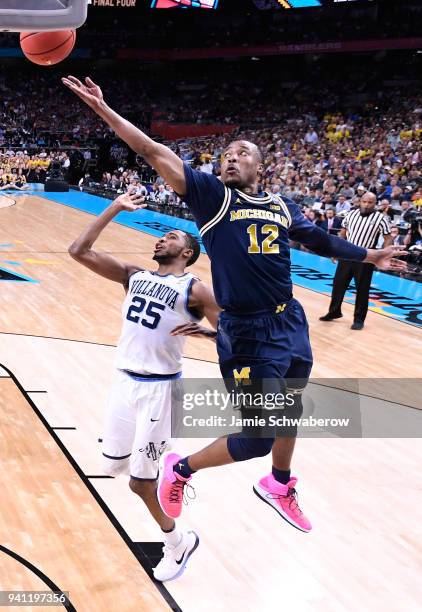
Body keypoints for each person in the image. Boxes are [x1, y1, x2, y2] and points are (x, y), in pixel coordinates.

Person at [62, 75, 406, 537]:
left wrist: (368, 255)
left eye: (240, 154)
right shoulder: (212, 196)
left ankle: (279, 484)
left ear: (259, 166)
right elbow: (151, 151)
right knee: (256, 438)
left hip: (290, 321)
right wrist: (103, 109)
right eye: (225, 155)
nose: (229, 159)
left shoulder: (282, 206)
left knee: (292, 409)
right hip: (248, 334)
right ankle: (180, 469)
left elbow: (320, 241)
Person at [68, 189, 220, 582]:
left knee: (139, 482)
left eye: (172, 237)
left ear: (187, 252)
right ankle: (162, 454)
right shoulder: (135, 276)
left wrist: (204, 334)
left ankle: (178, 541)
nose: (162, 239)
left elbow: (232, 336)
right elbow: (78, 250)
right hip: (124, 382)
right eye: (162, 235)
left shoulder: (196, 290)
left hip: (161, 390)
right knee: (113, 465)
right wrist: (115, 208)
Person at [320, 192, 393, 330]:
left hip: (367, 256)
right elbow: (343, 232)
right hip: (348, 254)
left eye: (370, 202)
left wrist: (386, 254)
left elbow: (388, 237)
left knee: (362, 289)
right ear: (360, 201)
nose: (366, 204)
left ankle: (359, 319)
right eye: (364, 201)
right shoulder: (350, 214)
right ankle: (334, 311)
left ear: (375, 203)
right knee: (338, 284)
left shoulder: (380, 218)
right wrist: (337, 250)